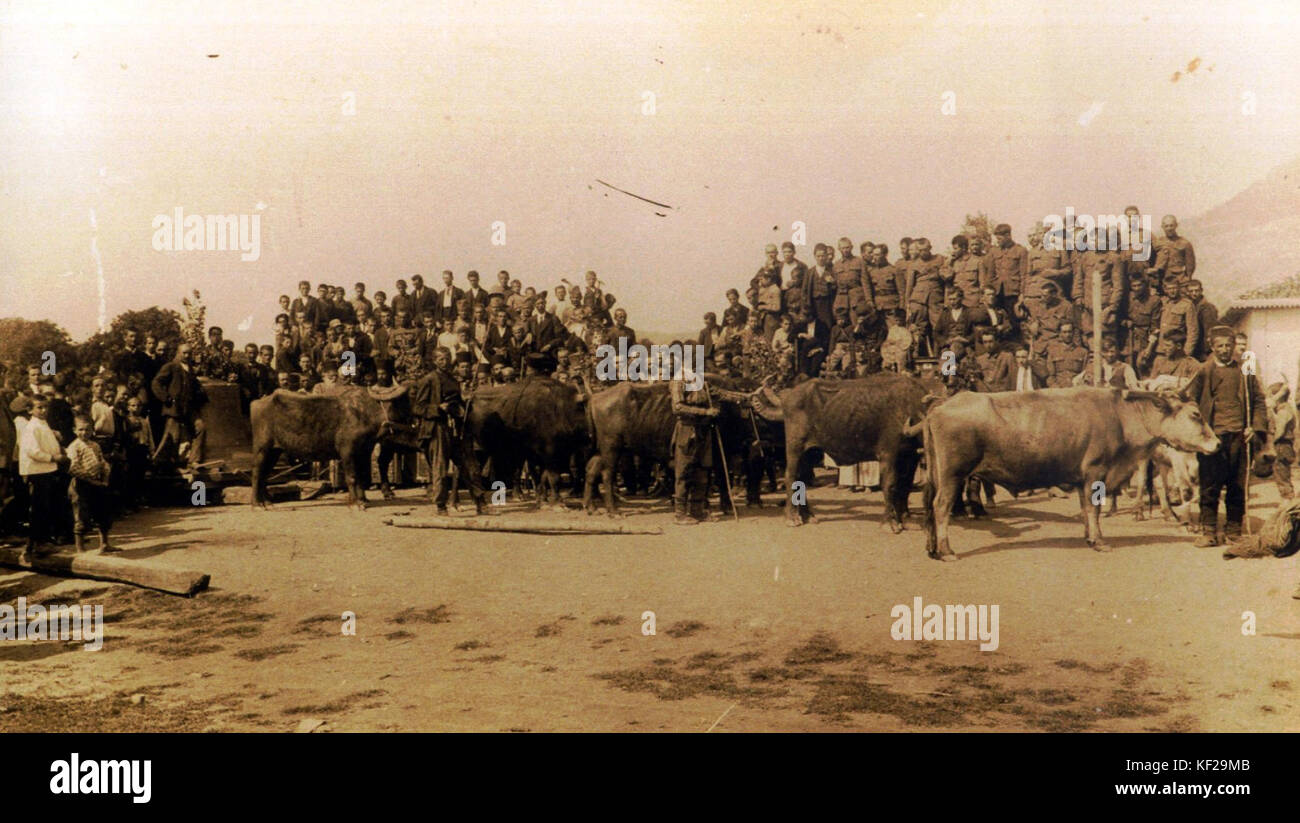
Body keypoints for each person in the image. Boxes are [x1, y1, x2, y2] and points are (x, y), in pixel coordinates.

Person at [1181, 326, 1267, 546]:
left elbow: (1258, 401)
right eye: (1220, 346)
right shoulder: (1203, 372)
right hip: (1213, 439)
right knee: (1209, 485)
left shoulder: (1244, 371)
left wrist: (1253, 428)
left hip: (1239, 435)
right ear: (1212, 347)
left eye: (1228, 345)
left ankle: (1233, 531)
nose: (1225, 350)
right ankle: (1208, 531)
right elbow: (1191, 404)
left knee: (1237, 485)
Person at [669, 368, 719, 525]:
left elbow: (717, 394)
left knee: (702, 471)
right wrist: (705, 412)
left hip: (704, 431)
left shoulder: (702, 381)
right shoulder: (679, 381)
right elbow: (678, 407)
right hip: (687, 430)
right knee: (684, 472)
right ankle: (680, 514)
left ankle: (697, 511)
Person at [18, 394, 64, 556]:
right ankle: (38, 544)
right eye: (39, 407)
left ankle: (35, 543)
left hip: (45, 470)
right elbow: (33, 451)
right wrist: (52, 457)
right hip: (37, 471)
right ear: (30, 410)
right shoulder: (32, 427)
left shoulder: (42, 424)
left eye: (46, 407)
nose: (44, 410)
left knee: (43, 507)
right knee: (39, 509)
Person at [150, 343, 208, 468]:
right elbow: (156, 383)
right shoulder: (171, 366)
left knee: (200, 427)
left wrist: (201, 393)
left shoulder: (190, 369)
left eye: (189, 353)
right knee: (172, 438)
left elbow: (195, 385)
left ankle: (194, 460)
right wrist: (166, 398)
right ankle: (160, 465)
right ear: (178, 353)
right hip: (174, 409)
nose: (187, 355)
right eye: (184, 353)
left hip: (189, 408)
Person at [66, 415, 115, 553]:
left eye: (88, 430)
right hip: (81, 484)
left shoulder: (95, 445)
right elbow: (73, 468)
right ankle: (80, 547)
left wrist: (105, 476)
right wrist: (90, 479)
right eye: (81, 430)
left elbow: (102, 461)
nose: (84, 433)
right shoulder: (74, 446)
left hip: (97, 483)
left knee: (103, 512)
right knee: (81, 514)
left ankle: (104, 543)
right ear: (74, 430)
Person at [1268, 382, 1295, 500]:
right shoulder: (1287, 409)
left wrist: (1272, 441)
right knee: (1283, 474)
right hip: (1285, 446)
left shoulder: (1283, 411)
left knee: (1282, 475)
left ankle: (1288, 501)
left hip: (1282, 445)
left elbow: (1280, 430)